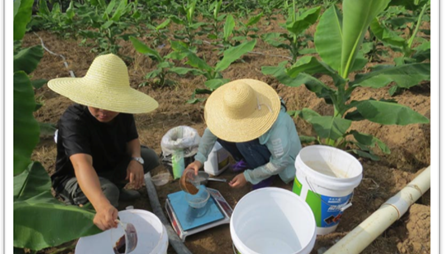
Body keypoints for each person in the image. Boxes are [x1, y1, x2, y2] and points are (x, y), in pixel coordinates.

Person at [48, 53, 159, 231]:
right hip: (73, 177)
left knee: (149, 157)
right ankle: (90, 212)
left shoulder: (123, 110)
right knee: (107, 194)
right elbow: (81, 165)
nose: (103, 111)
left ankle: (113, 189)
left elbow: (133, 139)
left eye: (111, 104)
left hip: (106, 164)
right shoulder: (73, 120)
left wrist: (136, 160)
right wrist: (101, 205)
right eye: (97, 103)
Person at [186, 79, 302, 190]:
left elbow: (280, 162)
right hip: (264, 149)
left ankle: (264, 175)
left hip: (282, 161)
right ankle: (248, 161)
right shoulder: (240, 107)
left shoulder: (277, 124)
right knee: (224, 133)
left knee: (244, 143)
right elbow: (211, 131)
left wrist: (248, 176)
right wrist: (199, 160)